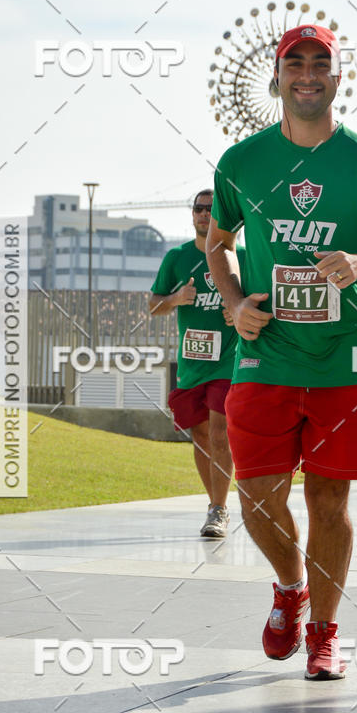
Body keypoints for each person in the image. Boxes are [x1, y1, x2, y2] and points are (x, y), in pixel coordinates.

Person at [206, 25, 357, 680]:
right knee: (256, 498)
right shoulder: (240, 162)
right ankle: (291, 587)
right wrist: (237, 303)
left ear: (336, 76)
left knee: (330, 504)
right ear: (277, 78)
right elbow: (216, 246)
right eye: (294, 62)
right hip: (266, 358)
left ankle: (324, 634)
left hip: (345, 360)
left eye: (319, 62)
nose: (307, 73)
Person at [149, 189, 242, 537]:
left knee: (220, 432)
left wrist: (240, 310)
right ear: (192, 215)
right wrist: (176, 298)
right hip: (192, 363)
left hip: (229, 361)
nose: (204, 214)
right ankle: (214, 502)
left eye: (211, 209)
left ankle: (218, 510)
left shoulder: (242, 255)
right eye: (199, 209)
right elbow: (154, 305)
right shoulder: (176, 257)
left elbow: (264, 299)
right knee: (201, 436)